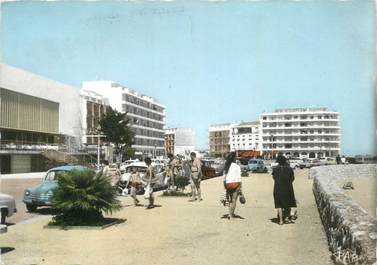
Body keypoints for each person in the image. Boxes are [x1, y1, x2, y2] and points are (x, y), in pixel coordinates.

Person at [272, 155, 297, 225]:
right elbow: (292, 178)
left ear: (278, 162)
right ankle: (286, 218)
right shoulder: (289, 169)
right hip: (288, 188)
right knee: (288, 203)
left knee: (279, 205)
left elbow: (274, 178)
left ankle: (280, 221)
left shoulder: (275, 169)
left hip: (277, 188)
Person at [223, 152, 242, 219]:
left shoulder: (226, 166)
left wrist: (225, 187)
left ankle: (230, 213)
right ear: (234, 158)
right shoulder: (237, 166)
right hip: (236, 184)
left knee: (230, 200)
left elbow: (224, 177)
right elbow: (239, 178)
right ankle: (231, 215)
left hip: (228, 184)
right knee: (234, 200)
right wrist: (240, 188)